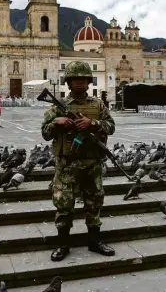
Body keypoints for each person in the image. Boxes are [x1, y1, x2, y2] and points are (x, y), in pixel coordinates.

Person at [41, 61, 115, 262]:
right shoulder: (59, 107)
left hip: (92, 164)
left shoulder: (98, 105)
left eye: (83, 79)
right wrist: (57, 123)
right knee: (64, 206)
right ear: (69, 83)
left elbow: (111, 126)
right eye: (76, 80)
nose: (80, 83)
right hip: (67, 165)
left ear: (89, 82)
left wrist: (93, 123)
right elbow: (45, 133)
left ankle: (94, 241)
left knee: (94, 204)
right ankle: (63, 245)